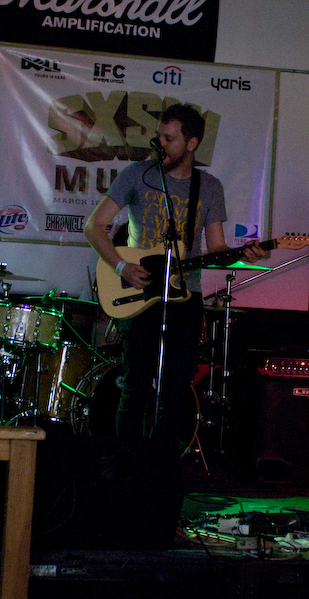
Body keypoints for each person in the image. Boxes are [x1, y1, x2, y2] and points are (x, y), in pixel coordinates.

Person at [84, 103, 265, 450]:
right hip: (139, 295)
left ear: (192, 143)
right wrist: (122, 267)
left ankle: (161, 468)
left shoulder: (208, 187)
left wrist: (244, 254)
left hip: (185, 297)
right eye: (159, 137)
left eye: (169, 139)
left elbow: (216, 249)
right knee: (135, 388)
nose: (160, 144)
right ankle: (127, 466)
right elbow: (94, 226)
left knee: (175, 390)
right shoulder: (137, 174)